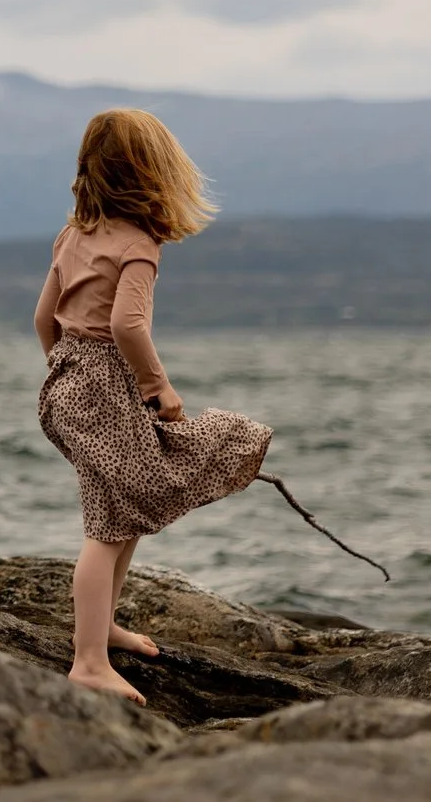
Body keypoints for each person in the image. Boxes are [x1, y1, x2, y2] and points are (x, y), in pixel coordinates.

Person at [32, 109, 271, 704]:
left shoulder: (72, 236)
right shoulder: (138, 245)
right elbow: (127, 325)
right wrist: (156, 387)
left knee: (126, 505)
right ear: (153, 176)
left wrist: (65, 372)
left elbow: (43, 319)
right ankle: (88, 660)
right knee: (108, 524)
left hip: (64, 381)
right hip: (107, 384)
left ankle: (102, 625)